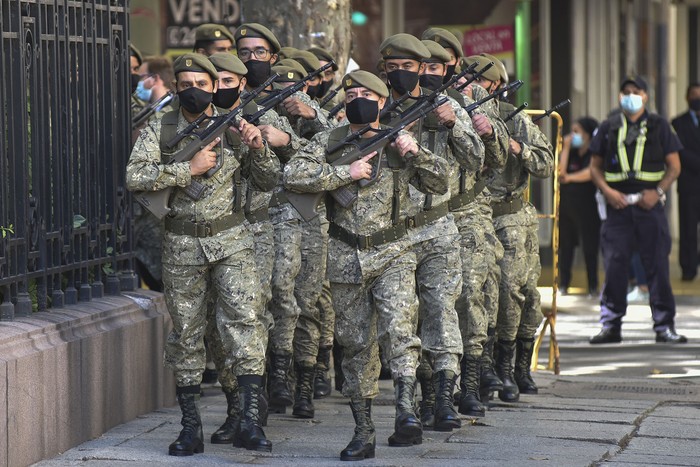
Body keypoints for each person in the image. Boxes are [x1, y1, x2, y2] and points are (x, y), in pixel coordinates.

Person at [284, 70, 450, 461]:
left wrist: (415, 152)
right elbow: (292, 174)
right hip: (345, 257)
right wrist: (346, 172)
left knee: (399, 329)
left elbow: (440, 182)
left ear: (381, 100)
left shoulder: (397, 138)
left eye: (366, 92)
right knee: (356, 346)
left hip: (393, 251)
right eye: (351, 92)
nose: (358, 98)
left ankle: (406, 411)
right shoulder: (330, 140)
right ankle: (363, 431)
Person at [126, 53, 279, 455]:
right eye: (184, 82)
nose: (193, 88)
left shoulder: (233, 124)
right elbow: (135, 176)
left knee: (245, 325)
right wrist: (186, 169)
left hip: (232, 242)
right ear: (176, 86)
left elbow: (268, 181)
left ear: (215, 86)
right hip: (181, 245)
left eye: (201, 81)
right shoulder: (161, 127)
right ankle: (190, 427)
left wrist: (259, 146)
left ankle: (249, 421)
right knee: (188, 334)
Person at [465, 53, 555, 401]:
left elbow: (546, 163)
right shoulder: (458, 115)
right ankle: (484, 367)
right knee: (480, 292)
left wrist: (517, 148)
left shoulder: (513, 120)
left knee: (516, 293)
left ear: (497, 87)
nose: (474, 87)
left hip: (511, 217)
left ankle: (513, 367)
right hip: (474, 214)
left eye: (481, 82)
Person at [589, 75, 686, 344]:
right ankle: (611, 326)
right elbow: (594, 167)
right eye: (625, 91)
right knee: (614, 266)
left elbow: (674, 166)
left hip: (649, 206)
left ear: (646, 96)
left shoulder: (659, 126)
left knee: (657, 266)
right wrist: (608, 192)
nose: (630, 95)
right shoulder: (608, 126)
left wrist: (658, 192)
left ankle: (664, 326)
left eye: (636, 91)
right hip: (617, 207)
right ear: (619, 96)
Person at [131, 56, 176, 292]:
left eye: (141, 77)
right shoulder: (146, 110)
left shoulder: (171, 112)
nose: (138, 83)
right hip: (143, 206)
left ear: (154, 79)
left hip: (160, 208)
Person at [558, 117, 601, 296]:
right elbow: (560, 172)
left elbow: (591, 172)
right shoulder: (572, 153)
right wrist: (566, 147)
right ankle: (563, 284)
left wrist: (570, 178)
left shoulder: (594, 152)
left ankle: (592, 286)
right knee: (565, 247)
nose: (573, 135)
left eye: (577, 131)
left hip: (588, 206)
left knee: (590, 248)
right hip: (568, 205)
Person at [672, 83, 700, 282]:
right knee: (688, 229)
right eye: (693, 95)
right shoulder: (678, 123)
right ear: (686, 97)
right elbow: (679, 150)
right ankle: (688, 269)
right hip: (689, 185)